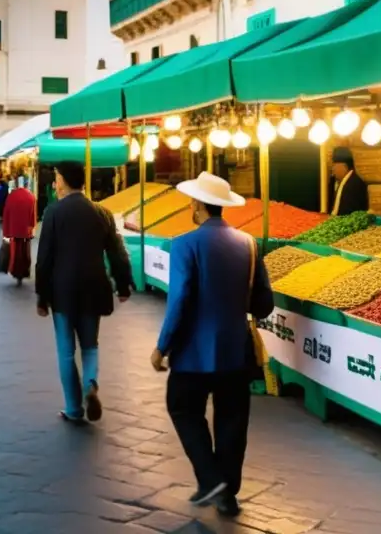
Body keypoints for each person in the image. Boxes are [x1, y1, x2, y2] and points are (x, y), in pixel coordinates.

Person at [151, 172, 274, 516]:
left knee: (183, 408)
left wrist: (162, 346)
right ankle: (227, 493)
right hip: (235, 351)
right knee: (233, 421)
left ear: (199, 205)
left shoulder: (185, 244)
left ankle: (210, 478)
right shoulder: (248, 244)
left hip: (192, 353)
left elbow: (179, 301)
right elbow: (264, 304)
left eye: (193, 201)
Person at [35, 161, 133, 424]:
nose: (54, 184)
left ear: (65, 180)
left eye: (56, 178)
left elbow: (43, 259)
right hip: (94, 287)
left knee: (66, 351)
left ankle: (74, 408)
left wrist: (41, 296)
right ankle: (90, 384)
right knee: (90, 346)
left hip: (63, 291)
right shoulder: (102, 213)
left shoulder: (54, 212)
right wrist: (123, 285)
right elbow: (117, 253)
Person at [2, 181, 36, 284]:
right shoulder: (31, 197)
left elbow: (6, 214)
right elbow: (33, 216)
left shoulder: (11, 197)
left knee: (15, 252)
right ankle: (24, 271)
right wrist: (32, 228)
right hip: (26, 231)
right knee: (25, 251)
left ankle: (15, 271)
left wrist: (5, 231)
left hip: (14, 230)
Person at [330, 146, 369, 215]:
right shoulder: (346, 181)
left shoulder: (354, 184)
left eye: (334, 165)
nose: (332, 169)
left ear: (344, 166)